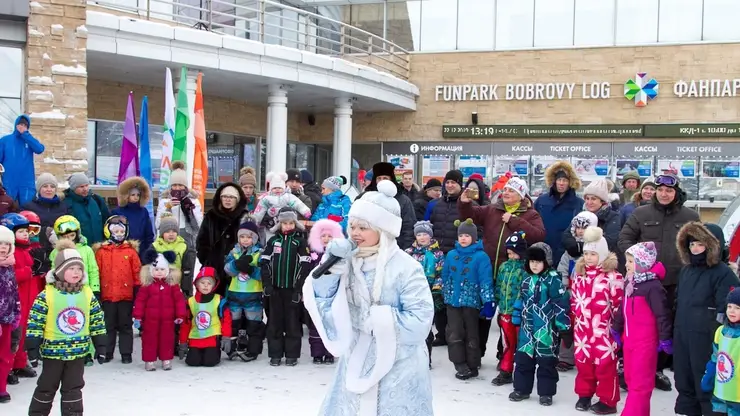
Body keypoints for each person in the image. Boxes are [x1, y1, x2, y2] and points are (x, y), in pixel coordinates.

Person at [302, 179, 434, 414]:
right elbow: (321, 298)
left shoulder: (407, 267)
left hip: (399, 363)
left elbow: (420, 319)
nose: (355, 233)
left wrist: (374, 321)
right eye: (352, 226)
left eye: (363, 228)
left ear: (382, 230)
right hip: (357, 356)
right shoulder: (347, 259)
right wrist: (329, 269)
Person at [619, 174, 701, 391]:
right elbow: (624, 239)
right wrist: (638, 263)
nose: (664, 194)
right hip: (644, 283)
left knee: (667, 325)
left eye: (669, 191)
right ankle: (631, 367)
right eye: (661, 189)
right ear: (654, 190)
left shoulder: (690, 216)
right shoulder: (641, 212)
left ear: (676, 193)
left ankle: (657, 369)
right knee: (642, 326)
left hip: (676, 282)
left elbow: (699, 244)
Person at [459, 176, 546, 358]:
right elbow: (471, 216)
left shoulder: (531, 214)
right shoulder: (493, 208)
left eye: (511, 191)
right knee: (483, 314)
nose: (506, 193)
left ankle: (504, 354)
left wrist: (514, 221)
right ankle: (477, 354)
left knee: (507, 317)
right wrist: (465, 204)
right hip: (488, 270)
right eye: (505, 190)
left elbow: (538, 235)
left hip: (513, 274)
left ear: (521, 195)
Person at [25, 239, 106, 416]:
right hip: (53, 351)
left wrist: (100, 345)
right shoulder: (47, 294)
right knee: (46, 386)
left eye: (79, 269)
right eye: (71, 269)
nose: (76, 273)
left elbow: (97, 320)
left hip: (78, 352)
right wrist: (32, 347)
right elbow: (35, 322)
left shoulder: (86, 293)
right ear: (60, 271)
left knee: (73, 388)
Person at [674, 222, 740, 416]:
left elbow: (728, 310)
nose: (695, 249)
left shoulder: (723, 273)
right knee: (684, 379)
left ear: (713, 245)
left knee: (705, 382)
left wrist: (719, 337)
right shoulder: (686, 271)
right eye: (692, 244)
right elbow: (678, 301)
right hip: (683, 333)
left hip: (707, 338)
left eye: (700, 244)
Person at [612, 241, 671, 416]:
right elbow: (623, 309)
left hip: (645, 344)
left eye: (631, 261)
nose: (626, 265)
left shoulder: (653, 287)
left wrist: (665, 338)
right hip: (629, 341)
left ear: (642, 263)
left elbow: (662, 314)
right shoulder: (631, 283)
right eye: (627, 261)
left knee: (640, 384)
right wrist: (616, 328)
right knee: (630, 380)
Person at [571, 227, 624, 414]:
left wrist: (618, 329)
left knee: (605, 366)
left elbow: (618, 305)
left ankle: (608, 400)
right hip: (583, 330)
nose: (588, 257)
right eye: (585, 253)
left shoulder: (613, 277)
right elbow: (574, 299)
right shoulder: (580, 275)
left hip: (604, 330)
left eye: (593, 254)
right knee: (584, 363)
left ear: (601, 254)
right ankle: (584, 394)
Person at [510, 242, 570, 406]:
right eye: (532, 261)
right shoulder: (526, 279)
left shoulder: (553, 280)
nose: (534, 265)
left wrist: (564, 326)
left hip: (546, 330)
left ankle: (546, 392)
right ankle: (521, 389)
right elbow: (520, 300)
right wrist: (516, 318)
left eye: (538, 261)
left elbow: (560, 304)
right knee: (523, 360)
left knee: (546, 362)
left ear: (547, 262)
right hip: (527, 329)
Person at [442, 218, 494, 380]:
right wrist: (444, 292)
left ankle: (473, 363)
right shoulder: (451, 255)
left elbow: (485, 280)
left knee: (472, 334)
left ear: (474, 238)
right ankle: (460, 363)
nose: (463, 238)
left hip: (471, 302)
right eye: (461, 235)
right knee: (455, 332)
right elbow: (445, 275)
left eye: (467, 235)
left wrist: (488, 301)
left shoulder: (481, 257)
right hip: (453, 301)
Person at [260, 208, 311, 366]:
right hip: (275, 290)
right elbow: (264, 262)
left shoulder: (300, 242)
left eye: (290, 223)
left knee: (292, 324)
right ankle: (275, 354)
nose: (287, 226)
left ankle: (292, 355)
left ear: (295, 224)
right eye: (284, 223)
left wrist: (299, 289)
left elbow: (304, 266)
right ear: (279, 224)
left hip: (292, 290)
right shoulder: (273, 241)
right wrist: (267, 284)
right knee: (274, 323)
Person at [92, 215, 141, 364]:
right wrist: (97, 291)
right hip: (108, 295)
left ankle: (126, 353)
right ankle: (107, 351)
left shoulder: (131, 252)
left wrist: (137, 289)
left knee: (125, 325)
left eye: (122, 231)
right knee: (108, 324)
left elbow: (137, 272)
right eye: (116, 231)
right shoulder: (101, 252)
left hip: (126, 296)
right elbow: (96, 272)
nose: (119, 234)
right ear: (109, 232)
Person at [555, 211, 597, 372]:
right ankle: (566, 357)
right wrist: (565, 286)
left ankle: (586, 356)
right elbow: (563, 269)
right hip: (571, 293)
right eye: (577, 228)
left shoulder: (596, 252)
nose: (580, 231)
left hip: (589, 296)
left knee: (587, 328)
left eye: (584, 228)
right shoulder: (569, 252)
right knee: (567, 325)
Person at [133, 249, 187, 371]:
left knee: (167, 340)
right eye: (156, 269)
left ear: (167, 271)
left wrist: (180, 315)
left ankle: (166, 359)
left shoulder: (172, 286)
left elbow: (179, 301)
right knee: (149, 340)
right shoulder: (147, 286)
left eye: (162, 269)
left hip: (168, 320)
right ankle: (150, 361)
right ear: (151, 271)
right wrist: (138, 317)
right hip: (150, 321)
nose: (159, 272)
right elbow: (140, 302)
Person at [196, 182, 249, 297]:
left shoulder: (244, 217)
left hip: (236, 268)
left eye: (231, 197)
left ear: (237, 199)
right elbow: (202, 240)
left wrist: (242, 262)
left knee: (234, 305)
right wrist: (206, 259)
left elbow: (251, 241)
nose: (227, 200)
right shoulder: (211, 215)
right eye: (224, 196)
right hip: (213, 267)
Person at [1, 213, 36, 384]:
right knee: (12, 337)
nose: (25, 234)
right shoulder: (10, 254)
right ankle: (7, 368)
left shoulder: (27, 249)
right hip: (12, 301)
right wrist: (28, 272)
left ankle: (20, 363)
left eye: (26, 231)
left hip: (27, 299)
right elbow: (10, 275)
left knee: (23, 334)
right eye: (20, 231)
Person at [223, 221, 265, 362]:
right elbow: (227, 270)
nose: (245, 240)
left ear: (254, 238)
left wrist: (251, 269)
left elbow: (263, 274)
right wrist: (236, 264)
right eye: (242, 237)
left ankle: (253, 351)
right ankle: (232, 350)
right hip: (235, 294)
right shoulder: (234, 252)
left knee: (253, 325)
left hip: (253, 295)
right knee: (233, 324)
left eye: (248, 237)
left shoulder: (260, 253)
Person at [405, 220, 444, 366]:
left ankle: (426, 357)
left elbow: (440, 273)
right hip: (412, 294)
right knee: (413, 326)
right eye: (419, 234)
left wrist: (437, 289)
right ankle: (412, 357)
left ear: (430, 236)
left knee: (427, 326)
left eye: (425, 234)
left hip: (429, 293)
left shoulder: (437, 254)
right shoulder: (409, 253)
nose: (422, 237)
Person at [491, 231, 527, 386]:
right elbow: (499, 285)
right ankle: (505, 371)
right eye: (509, 253)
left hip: (519, 314)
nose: (511, 256)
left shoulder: (525, 269)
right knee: (507, 342)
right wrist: (497, 302)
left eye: (514, 253)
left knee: (520, 344)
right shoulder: (504, 267)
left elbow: (525, 291)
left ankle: (522, 372)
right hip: (505, 312)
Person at [306, 218, 344, 364]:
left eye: (330, 236)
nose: (326, 239)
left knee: (331, 324)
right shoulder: (313, 254)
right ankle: (317, 353)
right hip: (316, 294)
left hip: (333, 295)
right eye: (323, 236)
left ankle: (330, 352)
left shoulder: (338, 256)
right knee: (315, 324)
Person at [535, 160, 584, 265]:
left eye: (565, 180)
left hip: (567, 251)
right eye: (559, 180)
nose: (561, 183)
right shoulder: (542, 200)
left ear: (570, 182)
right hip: (545, 249)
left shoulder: (578, 203)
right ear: (554, 181)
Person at [358, 162, 416, 250]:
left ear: (391, 179)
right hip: (368, 248)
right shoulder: (365, 197)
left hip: (394, 248)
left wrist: (406, 249)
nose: (382, 181)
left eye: (385, 178)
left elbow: (408, 227)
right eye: (379, 178)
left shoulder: (403, 200)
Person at [701, 287, 740, 416]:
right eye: (729, 307)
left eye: (737, 308)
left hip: (737, 395)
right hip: (720, 391)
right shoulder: (720, 331)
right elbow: (715, 357)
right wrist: (709, 375)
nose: (732, 311)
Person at [156, 161, 203, 249]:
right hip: (168, 238)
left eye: (180, 185)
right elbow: (158, 225)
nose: (177, 188)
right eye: (174, 185)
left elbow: (198, 226)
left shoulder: (193, 201)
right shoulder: (164, 201)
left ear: (185, 186)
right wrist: (168, 208)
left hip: (187, 237)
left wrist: (189, 210)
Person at [252, 172, 311, 241]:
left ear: (283, 188)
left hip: (286, 224)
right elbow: (260, 210)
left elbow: (297, 203)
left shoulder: (288, 196)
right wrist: (255, 222)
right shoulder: (266, 198)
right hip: (271, 225)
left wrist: (305, 211)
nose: (277, 190)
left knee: (286, 239)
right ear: (271, 188)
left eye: (280, 188)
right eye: (275, 188)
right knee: (271, 239)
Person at [0, 115, 45, 206]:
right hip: (9, 181)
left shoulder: (29, 140)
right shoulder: (5, 140)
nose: (22, 127)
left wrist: (26, 135)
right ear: (16, 125)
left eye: (25, 125)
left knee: (27, 209)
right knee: (8, 208)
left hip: (26, 182)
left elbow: (39, 149)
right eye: (20, 124)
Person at [0, 225, 21, 404]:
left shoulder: (9, 267)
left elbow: (13, 292)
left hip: (6, 318)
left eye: (6, 243)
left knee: (5, 354)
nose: (3, 247)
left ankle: (1, 388)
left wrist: (16, 312)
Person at [152, 213, 195, 298]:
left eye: (174, 231)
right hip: (158, 286)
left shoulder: (183, 246)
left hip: (177, 286)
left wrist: (186, 291)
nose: (171, 234)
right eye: (167, 231)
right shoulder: (155, 246)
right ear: (162, 233)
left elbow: (187, 270)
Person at [22, 173, 70, 249]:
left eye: (52, 186)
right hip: (37, 249)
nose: (49, 189)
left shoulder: (63, 206)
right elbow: (24, 230)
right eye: (45, 186)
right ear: (39, 188)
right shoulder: (28, 207)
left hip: (58, 248)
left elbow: (70, 226)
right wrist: (46, 231)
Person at [112, 176, 154, 256]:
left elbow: (149, 233)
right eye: (133, 194)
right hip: (123, 250)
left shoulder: (143, 211)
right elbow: (112, 234)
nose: (136, 197)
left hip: (142, 250)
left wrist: (149, 250)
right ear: (126, 195)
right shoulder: (117, 212)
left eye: (138, 195)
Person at [63, 172, 110, 245]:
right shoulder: (67, 204)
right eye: (81, 187)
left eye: (87, 185)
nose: (85, 189)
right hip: (80, 249)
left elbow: (107, 221)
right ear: (73, 188)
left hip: (100, 247)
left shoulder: (97, 200)